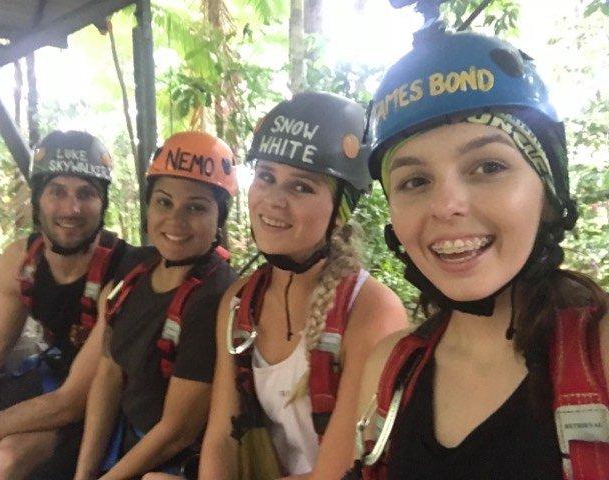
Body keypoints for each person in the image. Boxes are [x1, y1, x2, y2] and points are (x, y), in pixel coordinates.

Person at [352, 5, 608, 480]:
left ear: (548, 195)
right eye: (414, 181)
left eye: (488, 167)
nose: (446, 206)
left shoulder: (601, 357)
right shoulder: (388, 370)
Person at [198, 91, 408, 480]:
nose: (274, 200)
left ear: (341, 208)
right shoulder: (239, 303)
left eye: (302, 187)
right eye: (266, 177)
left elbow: (335, 472)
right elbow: (221, 439)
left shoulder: (371, 312)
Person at [73, 131, 238, 480]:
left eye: (196, 207)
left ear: (218, 219)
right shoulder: (137, 268)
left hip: (176, 463)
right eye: (164, 202)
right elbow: (108, 373)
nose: (175, 221)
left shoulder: (215, 296)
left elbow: (176, 432)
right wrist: (84, 474)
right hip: (129, 444)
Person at [0, 130, 129, 480]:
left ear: (102, 203)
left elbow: (73, 401)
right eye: (57, 192)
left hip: (101, 400)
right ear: (38, 199)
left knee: (8, 458)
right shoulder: (20, 262)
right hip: (52, 376)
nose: (71, 209)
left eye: (85, 194)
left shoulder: (120, 274)